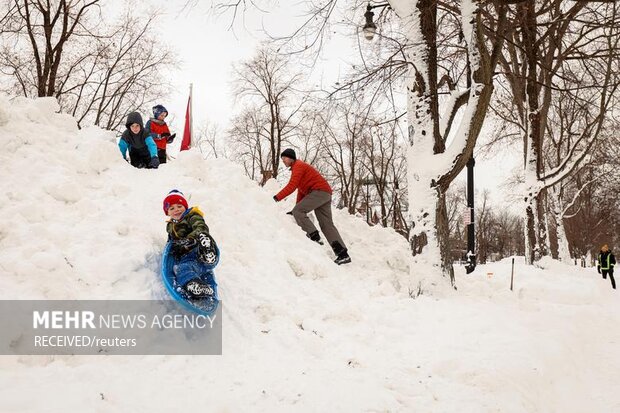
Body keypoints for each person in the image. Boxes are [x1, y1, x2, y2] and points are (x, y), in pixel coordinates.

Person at [273, 148, 351, 265]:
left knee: (298, 211)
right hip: (324, 193)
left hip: (319, 192)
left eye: (284, 158)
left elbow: (292, 186)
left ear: (291, 158)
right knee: (326, 225)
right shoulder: (299, 168)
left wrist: (277, 198)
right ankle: (343, 254)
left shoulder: (298, 166)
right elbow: (301, 191)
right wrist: (296, 207)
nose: (283, 161)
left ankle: (314, 237)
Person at [164, 190, 218, 298]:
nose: (176, 210)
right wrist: (173, 248)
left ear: (185, 206)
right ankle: (196, 286)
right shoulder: (170, 226)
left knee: (203, 236)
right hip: (190, 258)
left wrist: (191, 239)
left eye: (179, 206)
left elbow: (200, 226)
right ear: (167, 212)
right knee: (183, 269)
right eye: (172, 208)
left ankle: (207, 252)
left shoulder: (192, 216)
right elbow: (171, 242)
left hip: (198, 246)